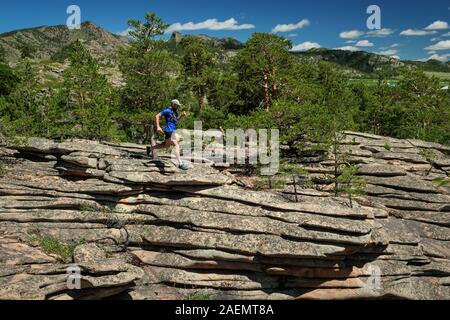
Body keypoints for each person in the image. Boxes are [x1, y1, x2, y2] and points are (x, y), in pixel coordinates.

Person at [147, 99, 189, 170]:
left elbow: (175, 121)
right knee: (176, 144)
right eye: (177, 105)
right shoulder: (167, 110)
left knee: (165, 145)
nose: (178, 107)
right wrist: (158, 126)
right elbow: (157, 116)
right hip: (169, 131)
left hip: (172, 131)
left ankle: (151, 148)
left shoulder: (175, 112)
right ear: (173, 104)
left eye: (178, 105)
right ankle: (180, 163)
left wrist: (181, 116)